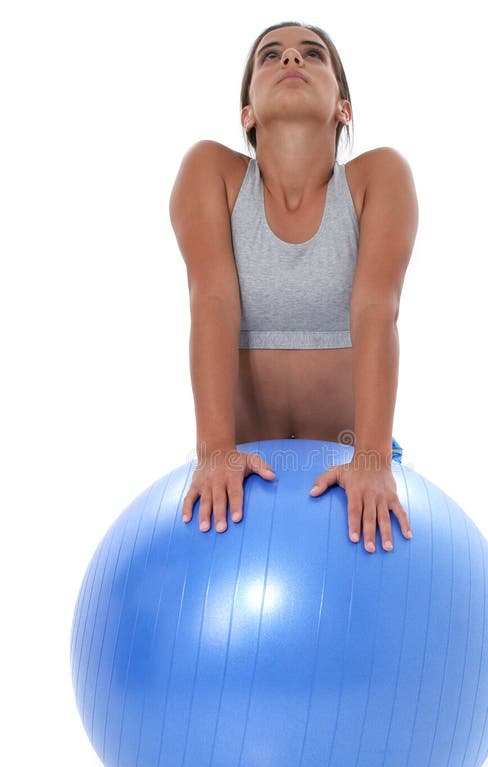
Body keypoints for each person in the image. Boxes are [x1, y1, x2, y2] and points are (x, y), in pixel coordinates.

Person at [169, 20, 418, 553]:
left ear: (343, 107)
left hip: (356, 463)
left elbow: (378, 309)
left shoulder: (380, 178)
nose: (290, 60)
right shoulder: (211, 172)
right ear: (248, 114)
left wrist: (373, 461)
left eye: (312, 54)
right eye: (270, 55)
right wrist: (213, 452)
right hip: (237, 469)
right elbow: (210, 301)